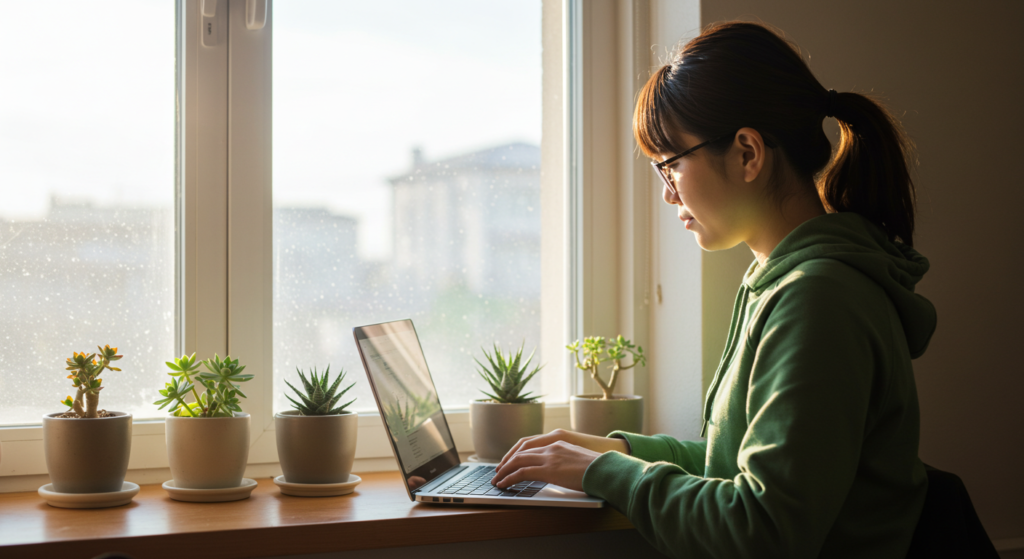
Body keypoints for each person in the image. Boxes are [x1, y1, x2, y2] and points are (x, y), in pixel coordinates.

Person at [491, 21, 936, 559]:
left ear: (748, 153)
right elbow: (733, 464)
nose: (667, 192)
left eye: (671, 164)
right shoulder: (782, 281)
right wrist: (613, 450)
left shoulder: (819, 298)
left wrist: (604, 472)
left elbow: (761, 529)